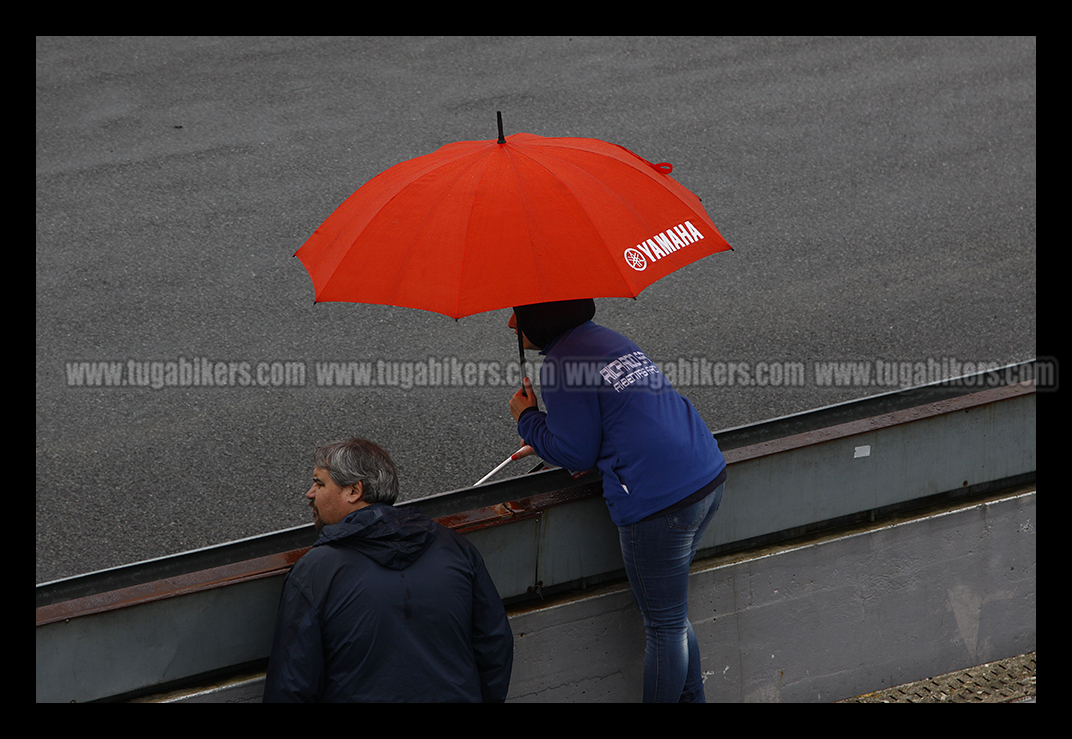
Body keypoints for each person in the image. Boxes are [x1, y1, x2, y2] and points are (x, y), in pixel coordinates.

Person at [508, 299, 725, 703]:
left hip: (659, 501)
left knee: (663, 626)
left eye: (517, 315)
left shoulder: (560, 363)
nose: (509, 323)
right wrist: (546, 432)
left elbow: (577, 453)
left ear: (541, 318)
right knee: (673, 619)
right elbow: (611, 420)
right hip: (706, 477)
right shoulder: (606, 340)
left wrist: (528, 418)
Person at [263, 437, 514, 703]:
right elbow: (494, 645)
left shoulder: (314, 571)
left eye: (319, 483)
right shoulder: (455, 548)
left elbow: (292, 682)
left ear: (353, 491)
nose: (310, 493)